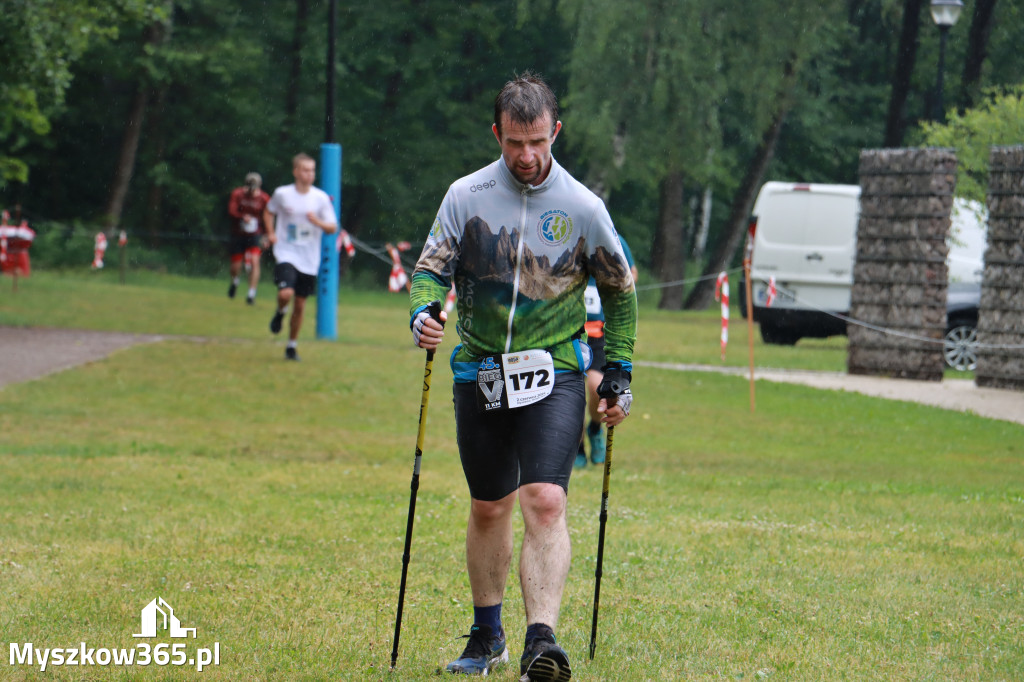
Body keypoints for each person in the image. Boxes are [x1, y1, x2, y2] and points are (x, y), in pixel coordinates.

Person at [409, 73, 637, 681]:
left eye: (538, 141)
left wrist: (618, 372)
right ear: (497, 134)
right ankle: (488, 637)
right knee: (489, 506)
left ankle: (542, 642)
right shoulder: (466, 195)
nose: (527, 156)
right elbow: (430, 270)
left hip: (555, 370)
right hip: (480, 368)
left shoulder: (584, 207)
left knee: (544, 498)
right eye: (515, 143)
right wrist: (423, 313)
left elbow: (620, 292)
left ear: (554, 131)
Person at [263, 153, 337, 361]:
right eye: (305, 169)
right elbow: (268, 212)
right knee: (286, 293)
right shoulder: (282, 194)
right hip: (286, 252)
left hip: (309, 259)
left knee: (300, 304)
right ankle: (280, 312)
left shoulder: (320, 198)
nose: (309, 174)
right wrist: (270, 232)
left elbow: (332, 227)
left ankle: (291, 346)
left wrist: (317, 222)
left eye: (312, 170)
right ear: (296, 171)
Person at [576, 237, 638, 469]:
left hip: (598, 335)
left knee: (595, 388)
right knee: (570, 396)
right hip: (569, 333)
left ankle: (594, 428)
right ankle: (577, 447)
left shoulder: (612, 237)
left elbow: (631, 274)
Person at [227, 172, 271, 304]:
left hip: (255, 235)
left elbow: (267, 217)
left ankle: (251, 294)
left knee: (254, 261)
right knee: (236, 265)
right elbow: (231, 211)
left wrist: (268, 235)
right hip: (238, 234)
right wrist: (242, 217)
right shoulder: (238, 194)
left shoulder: (264, 198)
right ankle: (235, 281)